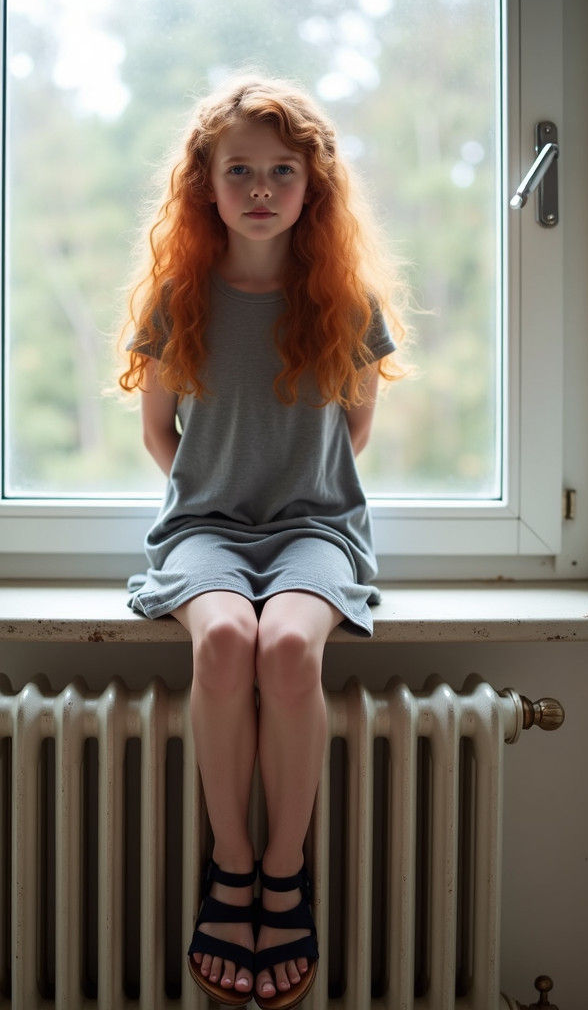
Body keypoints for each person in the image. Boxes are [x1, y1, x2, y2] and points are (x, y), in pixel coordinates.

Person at [117, 75, 410, 1009]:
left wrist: (291, 495)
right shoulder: (180, 296)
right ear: (203, 182)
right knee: (226, 641)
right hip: (204, 529)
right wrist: (219, 492)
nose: (258, 188)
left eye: (281, 170)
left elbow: (352, 432)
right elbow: (161, 434)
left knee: (286, 645)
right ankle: (230, 867)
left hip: (315, 528)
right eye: (237, 168)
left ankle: (283, 875)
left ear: (311, 185)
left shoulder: (342, 298)